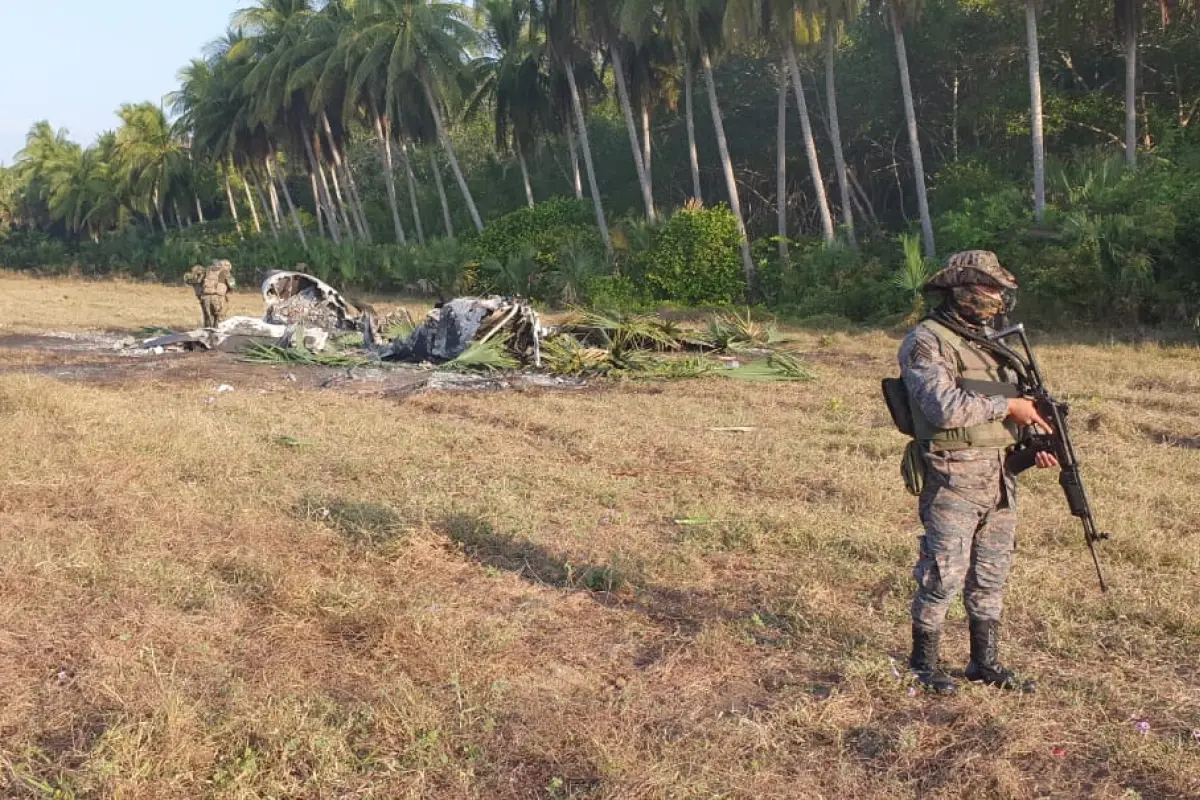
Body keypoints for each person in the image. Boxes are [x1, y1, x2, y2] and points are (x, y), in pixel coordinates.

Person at [897, 250, 1058, 695]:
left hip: (999, 475)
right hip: (952, 475)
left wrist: (1034, 442)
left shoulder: (993, 346)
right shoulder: (926, 341)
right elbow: (943, 408)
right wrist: (1009, 406)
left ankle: (982, 662)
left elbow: (1015, 409)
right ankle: (923, 663)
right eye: (987, 288)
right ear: (958, 289)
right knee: (944, 571)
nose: (995, 297)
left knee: (990, 573)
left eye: (998, 290)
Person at [184, 259, 236, 328]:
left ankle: (207, 335)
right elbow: (232, 285)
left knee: (208, 321)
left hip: (205, 297)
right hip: (218, 298)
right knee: (219, 321)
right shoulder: (225, 273)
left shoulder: (208, 271)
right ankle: (217, 336)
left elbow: (195, 281)